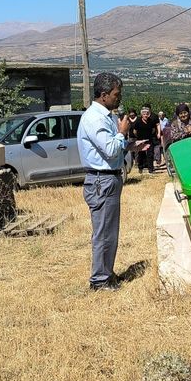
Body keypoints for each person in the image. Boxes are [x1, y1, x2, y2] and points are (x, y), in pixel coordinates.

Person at [76, 72, 130, 292]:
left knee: (110, 231)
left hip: (108, 179)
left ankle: (106, 272)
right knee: (104, 232)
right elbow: (109, 149)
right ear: (104, 94)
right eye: (116, 94)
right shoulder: (94, 118)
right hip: (101, 181)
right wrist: (122, 134)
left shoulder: (106, 115)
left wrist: (128, 145)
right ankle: (99, 280)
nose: (119, 98)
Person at [132, 106, 159, 174]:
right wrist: (139, 137)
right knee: (141, 154)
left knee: (150, 154)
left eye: (147, 114)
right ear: (142, 115)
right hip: (140, 140)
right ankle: (140, 168)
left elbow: (153, 130)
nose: (145, 115)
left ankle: (151, 169)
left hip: (149, 139)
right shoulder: (138, 121)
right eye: (144, 114)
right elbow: (134, 131)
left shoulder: (151, 121)